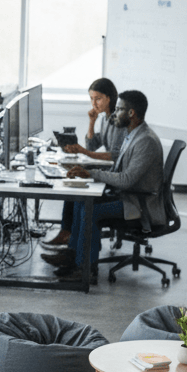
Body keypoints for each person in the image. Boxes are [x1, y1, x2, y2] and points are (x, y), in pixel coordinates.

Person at [47, 89, 164, 282]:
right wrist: (88, 169)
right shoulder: (133, 134)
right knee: (80, 200)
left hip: (139, 205)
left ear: (131, 113)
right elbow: (118, 168)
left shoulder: (145, 141)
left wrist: (92, 173)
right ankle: (73, 256)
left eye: (118, 110)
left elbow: (126, 179)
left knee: (90, 210)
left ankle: (85, 269)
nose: (114, 114)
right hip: (128, 195)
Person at [43, 77, 125, 249]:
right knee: (73, 182)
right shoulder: (104, 118)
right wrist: (92, 122)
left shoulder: (118, 122)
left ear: (109, 98)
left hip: (117, 175)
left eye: (98, 99)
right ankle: (67, 234)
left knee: (77, 188)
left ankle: (70, 239)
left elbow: (115, 157)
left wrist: (84, 152)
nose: (94, 103)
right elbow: (92, 144)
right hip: (110, 169)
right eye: (91, 99)